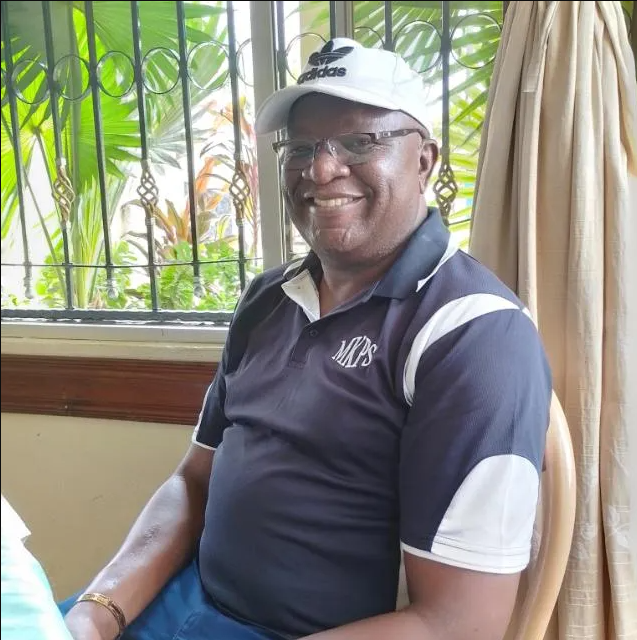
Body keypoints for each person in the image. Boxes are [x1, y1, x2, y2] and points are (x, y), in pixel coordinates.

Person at [62, 38, 552, 640]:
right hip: (186, 598)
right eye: (299, 148)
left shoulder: (472, 335)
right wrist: (98, 611)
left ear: (424, 161)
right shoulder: (268, 298)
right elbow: (194, 481)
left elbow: (456, 624)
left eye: (359, 142)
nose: (320, 170)